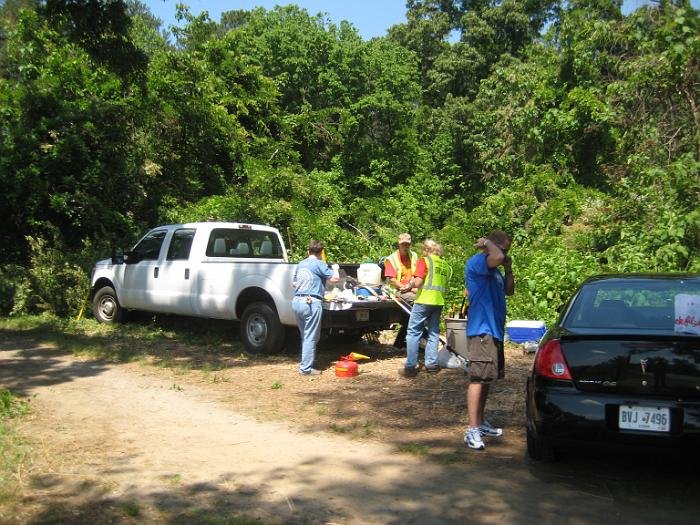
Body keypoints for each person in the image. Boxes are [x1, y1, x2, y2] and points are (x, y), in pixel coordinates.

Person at [463, 230, 514, 450]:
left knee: (487, 378)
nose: (504, 254)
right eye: (503, 248)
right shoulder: (477, 262)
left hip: (493, 330)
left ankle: (481, 423)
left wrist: (509, 269)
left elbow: (510, 291)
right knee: (477, 378)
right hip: (481, 328)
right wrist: (486, 243)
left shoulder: (495, 271)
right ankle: (471, 429)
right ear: (493, 246)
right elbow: (497, 257)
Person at [399, 239, 452, 377]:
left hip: (423, 301)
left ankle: (410, 366)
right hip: (438, 301)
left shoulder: (425, 261)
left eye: (423, 249)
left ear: (427, 250)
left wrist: (409, 286)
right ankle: (431, 365)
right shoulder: (446, 265)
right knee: (433, 333)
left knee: (413, 332)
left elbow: (419, 281)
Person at [292, 240, 339, 375]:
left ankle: (306, 362)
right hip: (311, 303)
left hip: (297, 302)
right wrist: (335, 268)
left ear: (308, 251)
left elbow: (294, 283)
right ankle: (306, 369)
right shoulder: (319, 264)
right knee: (311, 336)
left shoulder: (301, 264)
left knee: (305, 335)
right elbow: (334, 279)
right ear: (321, 253)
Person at [383, 233, 419, 348]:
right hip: (397, 290)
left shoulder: (414, 256)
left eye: (407, 244)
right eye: (403, 244)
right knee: (419, 305)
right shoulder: (391, 259)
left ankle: (401, 342)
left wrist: (415, 287)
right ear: (399, 244)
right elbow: (392, 280)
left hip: (413, 288)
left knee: (416, 311)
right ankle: (416, 340)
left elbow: (418, 274)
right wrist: (407, 288)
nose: (405, 246)